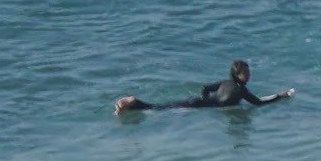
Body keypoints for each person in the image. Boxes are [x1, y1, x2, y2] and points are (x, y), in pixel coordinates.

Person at [114, 60, 294, 113]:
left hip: (198, 102)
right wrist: (279, 96)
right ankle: (135, 103)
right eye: (245, 73)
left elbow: (206, 88)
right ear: (237, 75)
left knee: (163, 106)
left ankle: (133, 104)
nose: (248, 76)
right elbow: (258, 103)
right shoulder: (241, 90)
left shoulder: (226, 82)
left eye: (248, 72)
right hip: (200, 105)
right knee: (159, 109)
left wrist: (204, 101)